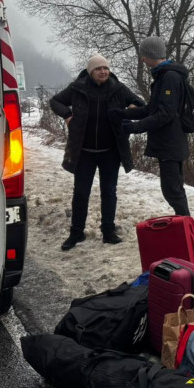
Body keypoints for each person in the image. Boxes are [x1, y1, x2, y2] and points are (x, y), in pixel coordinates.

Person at [50, 54, 143, 250]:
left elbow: (139, 103)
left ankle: (108, 232)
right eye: (98, 69)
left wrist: (130, 110)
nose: (103, 72)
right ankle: (76, 233)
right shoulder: (78, 88)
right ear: (91, 71)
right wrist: (67, 115)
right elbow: (55, 101)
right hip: (84, 152)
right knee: (81, 193)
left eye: (106, 69)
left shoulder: (118, 89)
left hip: (110, 151)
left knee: (109, 192)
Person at [121, 36, 192, 217]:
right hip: (170, 142)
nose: (142, 59)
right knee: (173, 189)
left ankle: (185, 228)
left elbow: (165, 114)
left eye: (143, 55)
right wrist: (124, 114)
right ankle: (183, 224)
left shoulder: (169, 77)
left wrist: (134, 128)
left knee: (172, 190)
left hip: (170, 143)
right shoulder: (164, 76)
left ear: (150, 55)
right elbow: (153, 109)